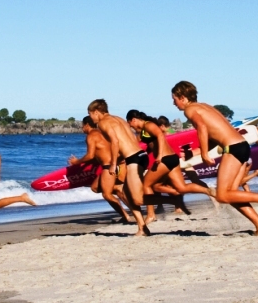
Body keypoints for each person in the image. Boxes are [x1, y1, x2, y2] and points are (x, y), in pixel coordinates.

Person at [171, 81, 258, 235]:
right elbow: (217, 135)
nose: (173, 103)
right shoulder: (206, 106)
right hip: (242, 146)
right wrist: (196, 152)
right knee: (231, 194)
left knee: (222, 195)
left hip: (233, 149)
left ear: (182, 97)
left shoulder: (189, 110)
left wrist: (204, 154)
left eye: (174, 99)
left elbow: (201, 127)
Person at [127, 109, 215, 222]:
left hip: (165, 159)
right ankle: (209, 191)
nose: (131, 126)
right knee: (181, 187)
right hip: (172, 159)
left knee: (146, 185)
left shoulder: (148, 125)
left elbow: (160, 135)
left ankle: (151, 215)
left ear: (134, 120)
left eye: (129, 123)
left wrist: (158, 156)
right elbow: (150, 143)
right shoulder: (143, 130)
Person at [87, 99, 151, 236]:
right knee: (128, 194)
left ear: (96, 112)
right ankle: (142, 226)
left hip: (133, 158)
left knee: (136, 197)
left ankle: (171, 200)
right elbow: (134, 138)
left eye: (90, 114)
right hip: (140, 155)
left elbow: (115, 141)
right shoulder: (119, 119)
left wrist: (114, 164)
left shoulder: (103, 123)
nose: (91, 117)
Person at [69, 116, 132, 224]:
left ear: (87, 125)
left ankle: (127, 215)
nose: (82, 128)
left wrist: (77, 162)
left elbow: (90, 155)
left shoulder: (91, 136)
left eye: (82, 126)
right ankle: (125, 202)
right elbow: (101, 154)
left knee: (106, 194)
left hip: (108, 167)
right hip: (116, 164)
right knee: (95, 187)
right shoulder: (103, 133)